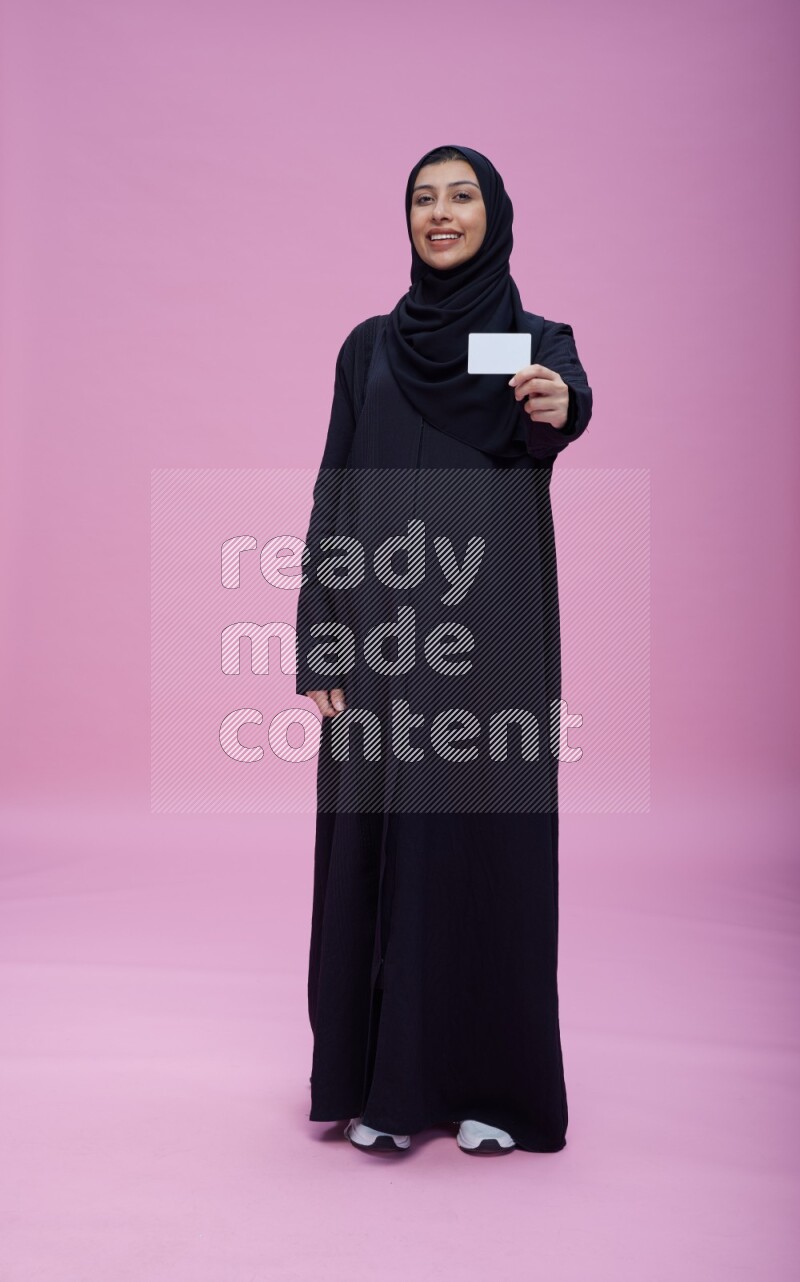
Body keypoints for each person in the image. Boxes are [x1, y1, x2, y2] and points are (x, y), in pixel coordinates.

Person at [295, 145, 593, 1156]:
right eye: (422, 197)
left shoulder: (523, 339)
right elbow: (332, 490)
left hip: (488, 646)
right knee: (379, 848)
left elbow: (556, 400)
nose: (439, 211)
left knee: (479, 851)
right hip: (375, 643)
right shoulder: (369, 347)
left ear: (494, 213)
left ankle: (492, 1090)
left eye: (459, 195)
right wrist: (319, 639)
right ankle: (382, 1085)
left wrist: (561, 407)